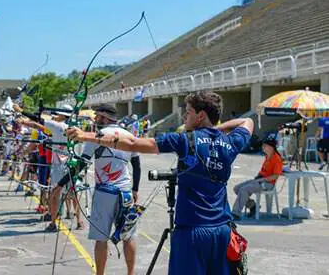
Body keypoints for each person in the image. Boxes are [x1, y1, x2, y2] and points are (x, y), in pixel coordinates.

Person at [67, 91, 253, 275]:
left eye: (188, 112)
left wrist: (85, 136)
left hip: (192, 233)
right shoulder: (231, 142)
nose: (184, 116)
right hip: (222, 232)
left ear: (201, 115)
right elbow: (247, 122)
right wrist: (214, 131)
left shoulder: (184, 140)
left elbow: (132, 143)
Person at [59, 103, 141, 275]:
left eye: (97, 116)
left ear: (105, 117)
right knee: (129, 235)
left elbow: (82, 163)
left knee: (101, 239)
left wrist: (62, 183)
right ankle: (131, 273)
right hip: (126, 192)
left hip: (105, 192)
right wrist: (135, 189)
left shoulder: (98, 135)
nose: (95, 120)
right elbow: (137, 164)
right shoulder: (129, 134)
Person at [15, 104, 84, 232]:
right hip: (74, 164)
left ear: (63, 115)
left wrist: (21, 111)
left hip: (60, 166)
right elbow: (39, 126)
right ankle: (79, 221)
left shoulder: (58, 126)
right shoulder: (76, 128)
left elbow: (37, 120)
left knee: (54, 195)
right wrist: (26, 123)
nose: (56, 116)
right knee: (73, 193)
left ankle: (53, 223)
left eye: (58, 114)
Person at [231, 136, 283, 219]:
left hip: (268, 183)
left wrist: (262, 179)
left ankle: (235, 213)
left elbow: (275, 176)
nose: (263, 148)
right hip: (260, 180)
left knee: (244, 189)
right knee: (237, 188)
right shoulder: (267, 156)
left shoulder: (277, 159)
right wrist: (258, 179)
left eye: (264, 146)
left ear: (271, 147)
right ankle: (253, 207)